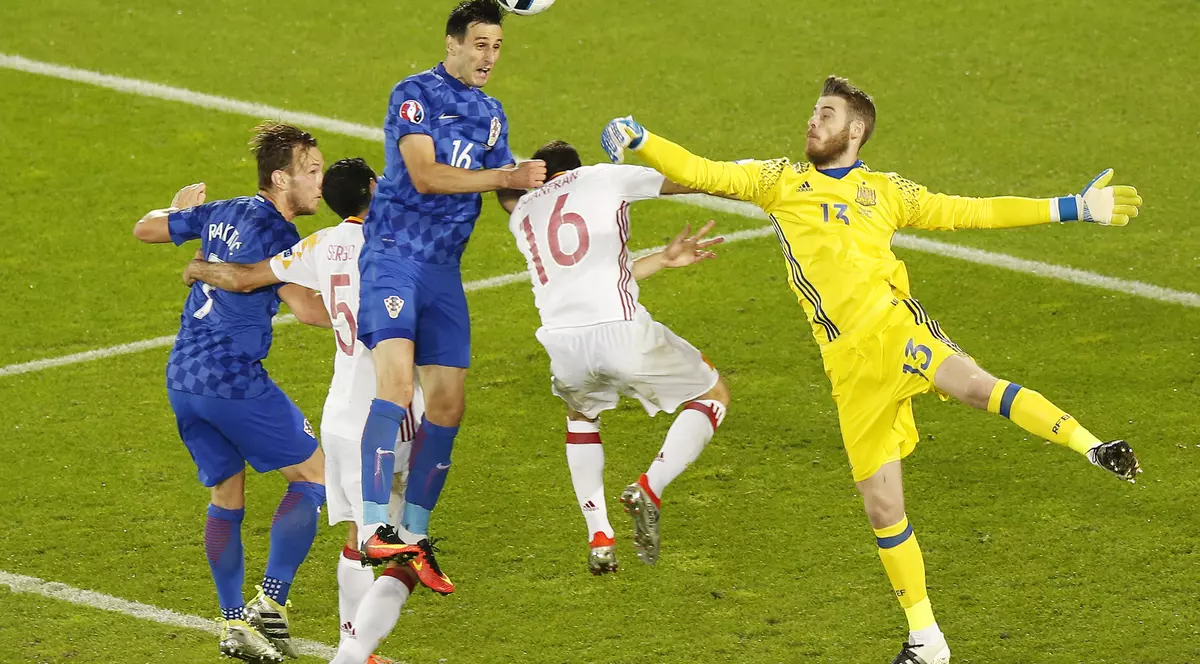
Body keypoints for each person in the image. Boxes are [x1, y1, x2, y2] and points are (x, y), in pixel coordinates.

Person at [601, 76, 1143, 664]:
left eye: (826, 114)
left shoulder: (887, 191)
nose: (812, 122)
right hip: (848, 369)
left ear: (854, 130)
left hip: (895, 331)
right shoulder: (781, 182)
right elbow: (704, 170)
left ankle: (1093, 446)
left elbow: (973, 211)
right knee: (883, 508)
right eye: (813, 112)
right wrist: (643, 137)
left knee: (974, 387)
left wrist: (1074, 208)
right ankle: (926, 639)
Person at [182, 158, 424, 663]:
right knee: (388, 539)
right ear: (373, 193)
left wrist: (201, 266)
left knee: (356, 530)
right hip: (381, 409)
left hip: (337, 411)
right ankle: (349, 651)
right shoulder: (395, 248)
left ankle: (343, 644)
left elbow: (250, 277)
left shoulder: (320, 244)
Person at [354, 0, 546, 596]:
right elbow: (425, 175)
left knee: (448, 406)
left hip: (443, 272)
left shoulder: (492, 114)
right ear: (453, 43)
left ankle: (413, 536)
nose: (489, 57)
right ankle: (371, 527)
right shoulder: (415, 93)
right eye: (480, 44)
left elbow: (508, 195)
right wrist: (505, 178)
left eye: (497, 47)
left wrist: (554, 192)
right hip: (393, 257)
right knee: (395, 385)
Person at [133, 122, 333, 662]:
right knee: (315, 476)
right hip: (232, 379)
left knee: (226, 495)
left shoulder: (219, 211)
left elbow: (145, 229)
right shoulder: (281, 237)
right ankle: (270, 603)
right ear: (279, 178)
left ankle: (230, 623)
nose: (320, 182)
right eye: (310, 172)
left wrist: (174, 208)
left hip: (183, 376)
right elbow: (311, 310)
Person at [508, 140, 729, 574]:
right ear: (576, 165)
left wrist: (662, 261)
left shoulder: (522, 214)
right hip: (622, 332)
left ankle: (600, 537)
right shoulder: (603, 175)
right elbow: (689, 180)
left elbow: (590, 271)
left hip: (564, 345)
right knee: (712, 393)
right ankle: (650, 485)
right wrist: (749, 179)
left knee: (581, 416)